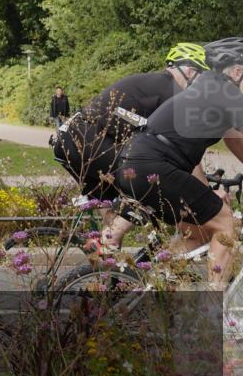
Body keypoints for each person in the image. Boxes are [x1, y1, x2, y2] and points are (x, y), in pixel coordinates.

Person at [53, 43, 210, 252]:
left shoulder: (154, 83)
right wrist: (206, 192)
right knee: (148, 182)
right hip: (89, 141)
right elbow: (183, 153)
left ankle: (106, 273)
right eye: (201, 77)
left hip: (72, 138)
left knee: (114, 218)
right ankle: (110, 240)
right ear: (190, 70)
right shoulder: (173, 90)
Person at [115, 37, 243, 287]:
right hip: (154, 165)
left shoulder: (210, 89)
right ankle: (212, 307)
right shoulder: (225, 91)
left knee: (196, 230)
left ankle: (157, 286)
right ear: (238, 71)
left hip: (139, 162)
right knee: (226, 223)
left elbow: (237, 142)